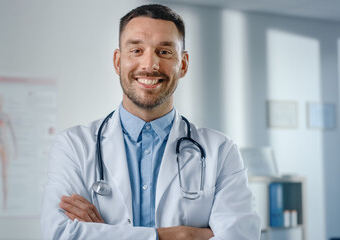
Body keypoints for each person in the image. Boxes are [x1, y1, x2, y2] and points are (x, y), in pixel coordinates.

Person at [41, 4, 260, 240]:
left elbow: (240, 236)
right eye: (136, 50)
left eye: (164, 52)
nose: (149, 65)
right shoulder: (73, 146)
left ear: (183, 64)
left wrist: (106, 233)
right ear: (117, 61)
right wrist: (181, 235)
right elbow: (60, 234)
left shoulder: (220, 150)